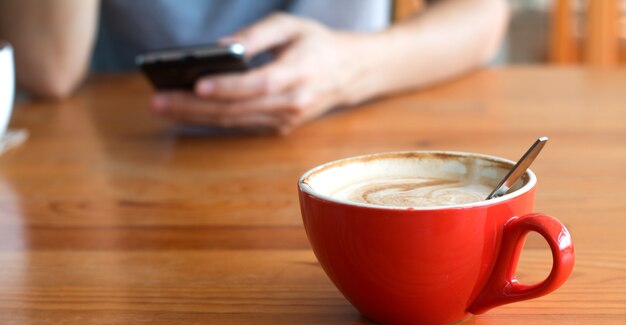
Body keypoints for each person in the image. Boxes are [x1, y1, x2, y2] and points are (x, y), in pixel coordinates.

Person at [0, 0, 509, 134]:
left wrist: (351, 68)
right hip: (126, 152)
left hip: (349, 133)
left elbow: (484, 16)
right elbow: (48, 67)